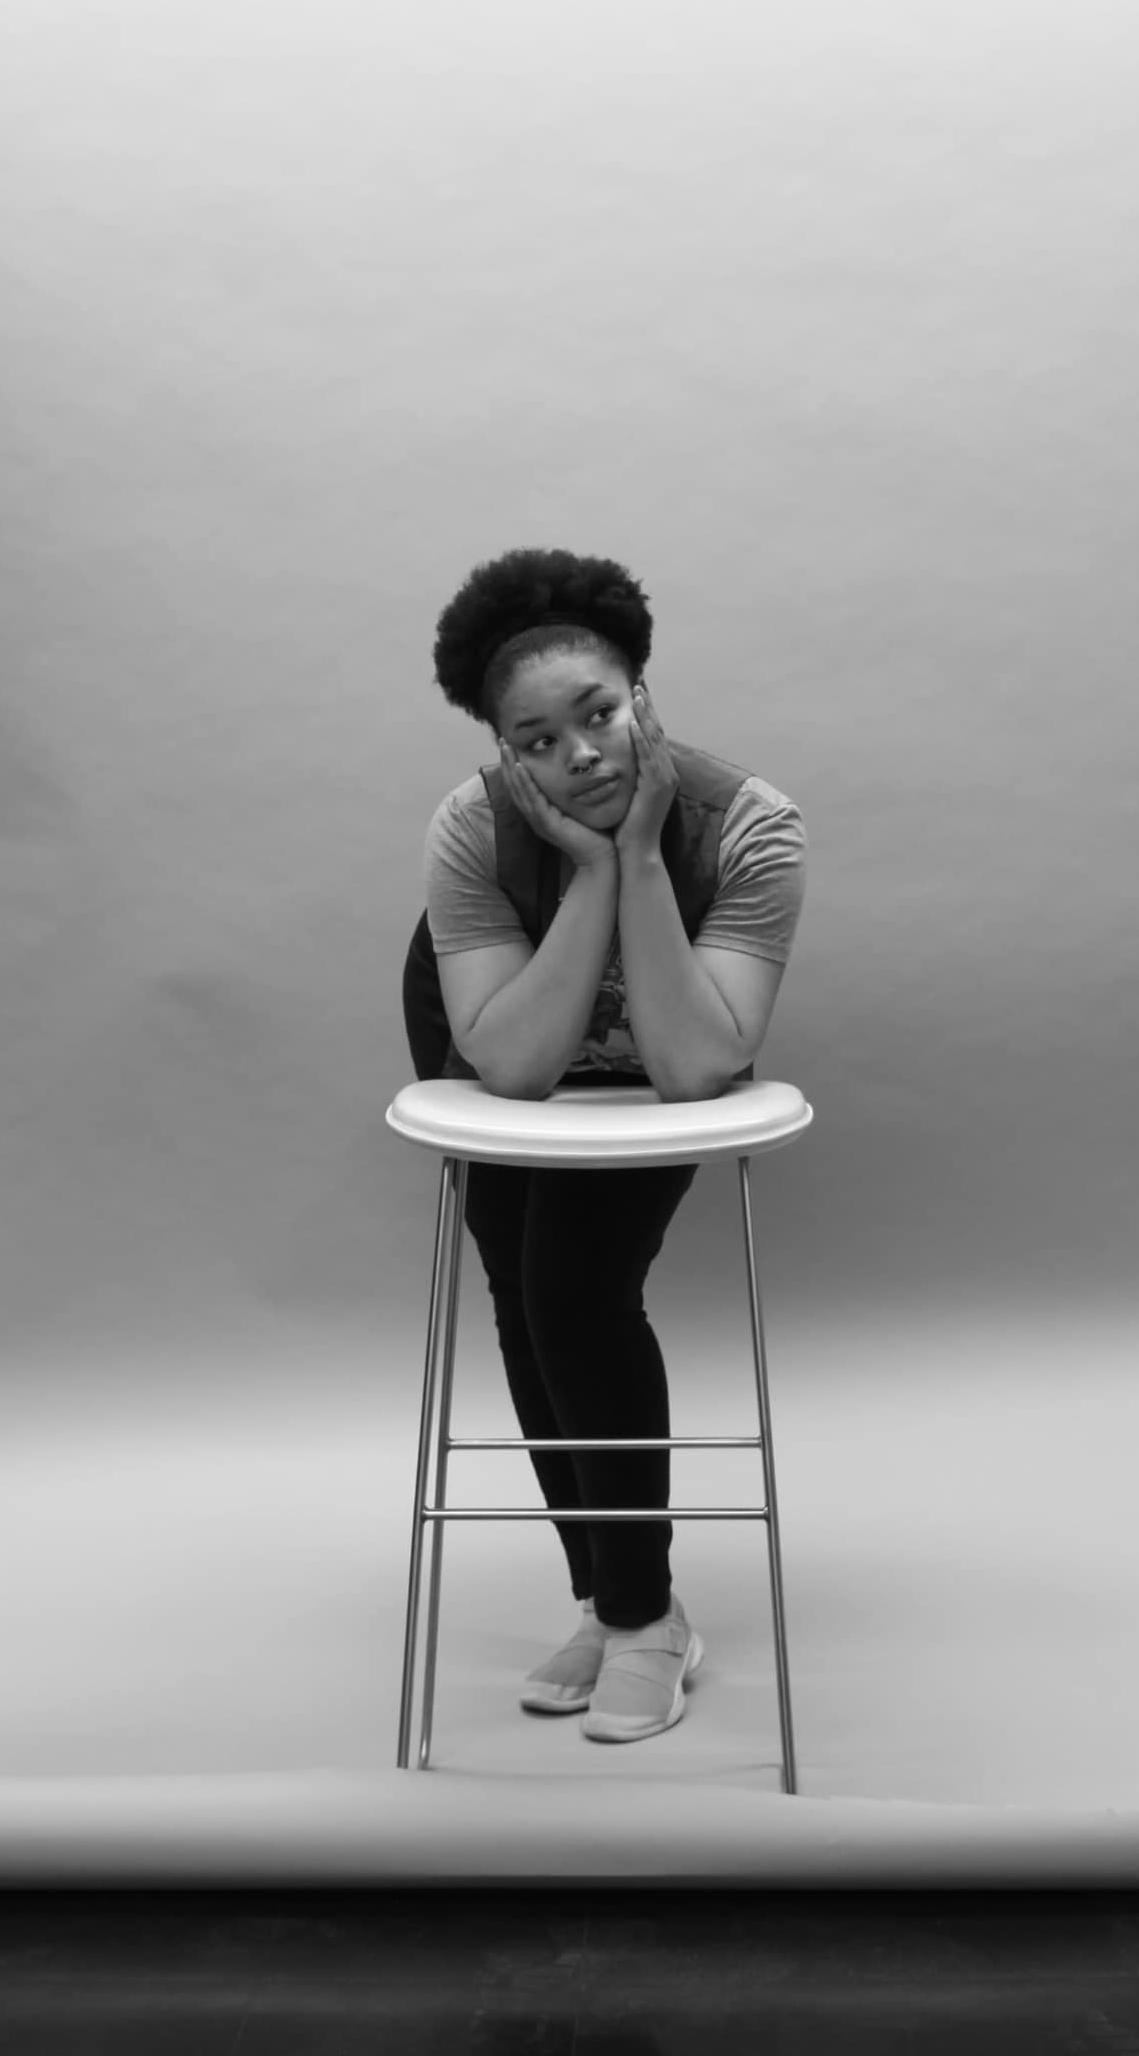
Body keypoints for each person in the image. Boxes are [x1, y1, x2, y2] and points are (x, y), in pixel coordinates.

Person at [406, 547, 803, 1746]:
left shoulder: (751, 829)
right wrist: (586, 871)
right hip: (498, 1029)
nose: (579, 754)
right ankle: (617, 1602)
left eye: (599, 714)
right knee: (525, 1298)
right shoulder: (474, 832)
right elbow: (513, 1067)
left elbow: (692, 1068)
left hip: (650, 1060)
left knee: (580, 1289)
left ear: (643, 696)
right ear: (504, 752)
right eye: (536, 740)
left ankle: (640, 1617)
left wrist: (637, 856)